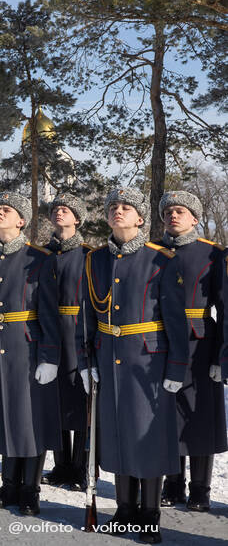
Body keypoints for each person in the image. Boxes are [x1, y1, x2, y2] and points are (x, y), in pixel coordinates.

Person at [77, 187, 189, 544]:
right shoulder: (95, 260)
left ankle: (150, 515)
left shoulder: (162, 259)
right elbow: (87, 317)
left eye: (126, 208)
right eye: (113, 207)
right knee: (118, 434)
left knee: (148, 438)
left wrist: (175, 368)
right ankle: (125, 511)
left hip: (149, 362)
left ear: (141, 218)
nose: (117, 212)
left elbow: (175, 320)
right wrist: (86, 360)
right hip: (109, 357)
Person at [0, 191, 61, 516]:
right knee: (5, 415)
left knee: (29, 419)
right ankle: (8, 486)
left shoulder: (39, 259)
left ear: (21, 220)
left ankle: (30, 490)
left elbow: (50, 312)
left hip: (28, 347)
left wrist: (50, 356)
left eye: (6, 210)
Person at [157, 191, 226, 513]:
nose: (173, 216)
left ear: (195, 218)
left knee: (198, 419)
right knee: (166, 417)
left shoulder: (213, 255)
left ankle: (201, 489)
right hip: (159, 344)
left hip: (200, 344)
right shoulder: (153, 253)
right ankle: (173, 484)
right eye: (168, 211)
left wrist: (221, 357)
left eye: (180, 211)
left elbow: (225, 309)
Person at [41, 194, 92, 490]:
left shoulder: (88, 255)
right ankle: (61, 466)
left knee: (80, 400)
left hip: (78, 330)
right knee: (54, 399)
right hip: (49, 332)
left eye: (66, 210)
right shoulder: (42, 254)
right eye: (56, 209)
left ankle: (81, 467)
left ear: (77, 217)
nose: (60, 213)